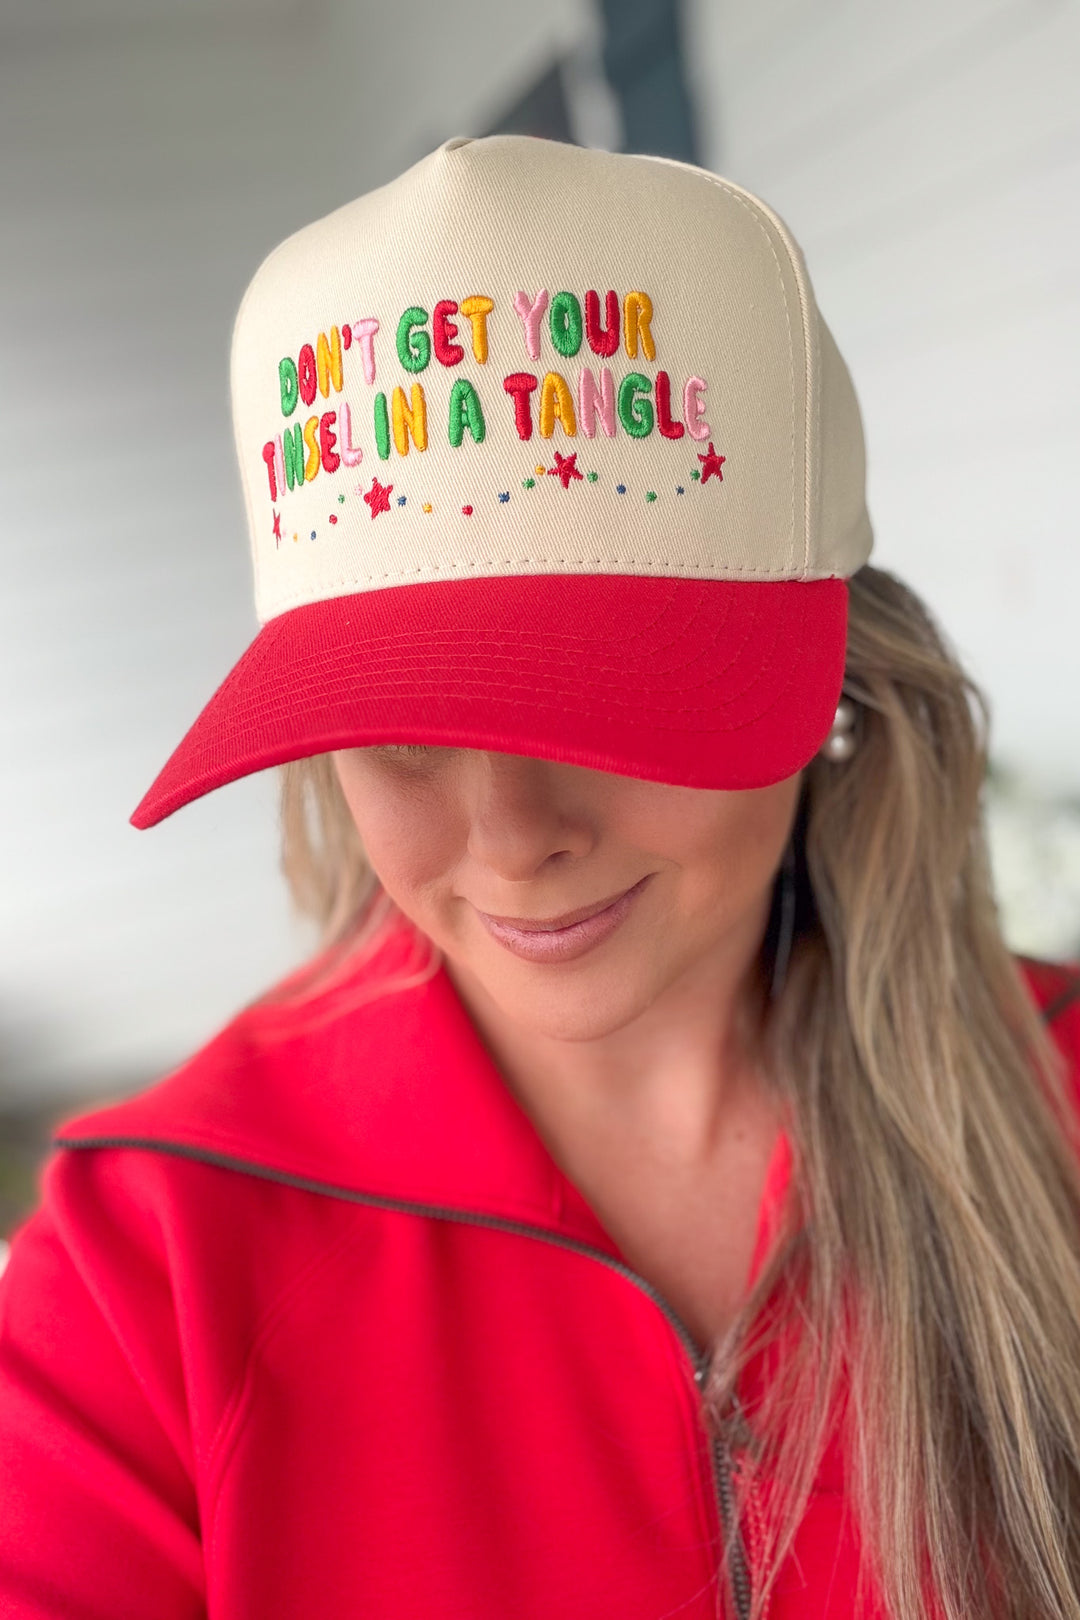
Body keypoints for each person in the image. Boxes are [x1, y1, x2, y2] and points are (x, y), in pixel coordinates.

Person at [2, 134, 1079, 1620]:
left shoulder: (1059, 1095)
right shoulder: (144, 1272)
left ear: (834, 660)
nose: (513, 839)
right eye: (397, 736)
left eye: (605, 700)